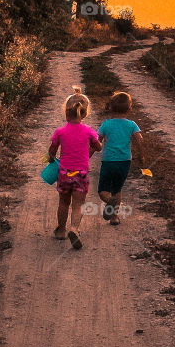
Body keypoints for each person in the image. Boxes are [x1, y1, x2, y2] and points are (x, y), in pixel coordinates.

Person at [47, 86, 101, 249]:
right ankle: (74, 229)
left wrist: (51, 159)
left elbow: (52, 151)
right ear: (84, 113)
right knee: (78, 204)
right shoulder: (89, 131)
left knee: (63, 202)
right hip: (81, 173)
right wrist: (91, 150)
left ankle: (61, 230)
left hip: (64, 172)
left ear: (66, 112)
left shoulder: (60, 131)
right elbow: (98, 147)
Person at [97, 91, 144, 226]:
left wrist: (88, 155)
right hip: (124, 162)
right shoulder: (131, 124)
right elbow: (140, 139)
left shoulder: (106, 124)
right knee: (117, 189)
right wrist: (141, 155)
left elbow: (97, 142)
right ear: (129, 108)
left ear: (110, 108)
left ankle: (109, 201)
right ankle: (114, 217)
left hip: (108, 161)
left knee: (102, 192)